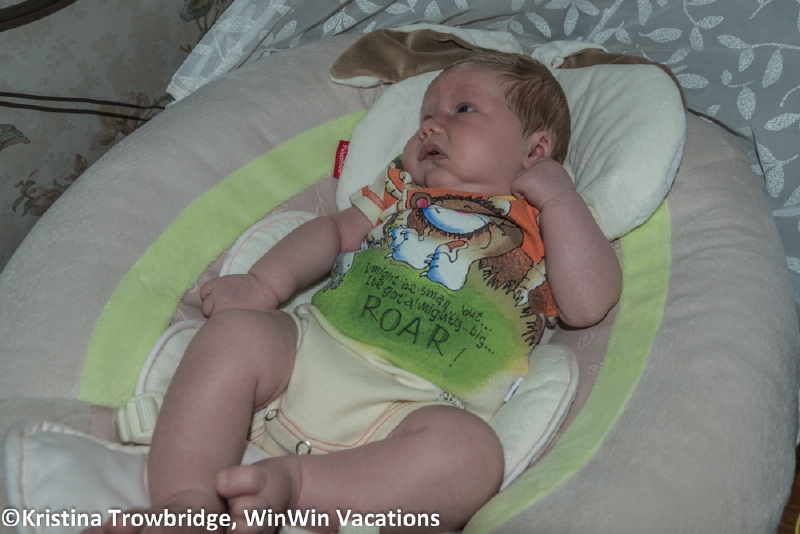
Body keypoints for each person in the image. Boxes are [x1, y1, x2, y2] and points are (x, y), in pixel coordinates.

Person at [92, 52, 621, 534]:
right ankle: (186, 502)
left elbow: (588, 303)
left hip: (421, 405)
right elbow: (331, 232)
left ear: (536, 150)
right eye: (426, 115)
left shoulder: (548, 224)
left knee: (472, 455)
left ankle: (300, 488)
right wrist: (264, 283)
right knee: (235, 335)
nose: (431, 124)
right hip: (311, 352)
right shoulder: (402, 190)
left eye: (463, 109)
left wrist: (561, 200)